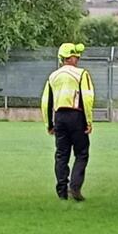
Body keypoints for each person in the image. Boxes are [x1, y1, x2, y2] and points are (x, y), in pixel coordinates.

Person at [41, 43, 95, 201]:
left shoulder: (53, 76)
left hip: (59, 117)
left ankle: (62, 191)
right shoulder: (81, 74)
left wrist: (49, 124)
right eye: (76, 56)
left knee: (61, 155)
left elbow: (46, 101)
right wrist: (88, 121)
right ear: (70, 58)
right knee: (82, 153)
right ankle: (75, 186)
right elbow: (87, 98)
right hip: (76, 115)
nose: (78, 59)